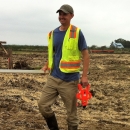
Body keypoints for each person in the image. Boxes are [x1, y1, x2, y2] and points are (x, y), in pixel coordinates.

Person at [38, 4, 90, 130]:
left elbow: (86, 55)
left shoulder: (77, 32)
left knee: (71, 115)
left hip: (70, 80)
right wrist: (46, 65)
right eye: (60, 14)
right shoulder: (53, 33)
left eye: (64, 14)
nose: (61, 17)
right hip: (53, 78)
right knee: (43, 105)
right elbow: (53, 54)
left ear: (71, 16)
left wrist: (84, 77)